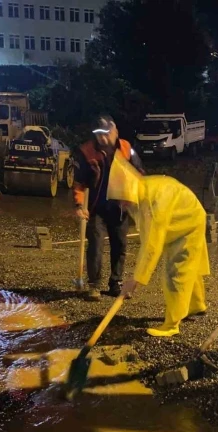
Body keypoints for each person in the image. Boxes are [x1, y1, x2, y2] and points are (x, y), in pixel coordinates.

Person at [109, 152, 209, 337]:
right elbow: (148, 237)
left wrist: (135, 280)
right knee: (189, 267)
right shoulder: (140, 193)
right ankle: (197, 306)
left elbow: (151, 246)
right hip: (181, 220)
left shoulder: (153, 201)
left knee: (176, 273)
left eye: (121, 199)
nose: (121, 205)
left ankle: (172, 324)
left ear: (127, 191)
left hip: (187, 223)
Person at [72, 114, 144, 301]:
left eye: (105, 133)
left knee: (119, 245)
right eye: (98, 134)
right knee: (95, 244)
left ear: (115, 131)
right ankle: (94, 285)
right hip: (96, 208)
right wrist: (80, 206)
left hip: (120, 207)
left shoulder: (127, 149)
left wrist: (136, 197)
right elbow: (79, 183)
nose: (102, 138)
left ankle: (115, 282)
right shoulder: (86, 152)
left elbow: (139, 174)